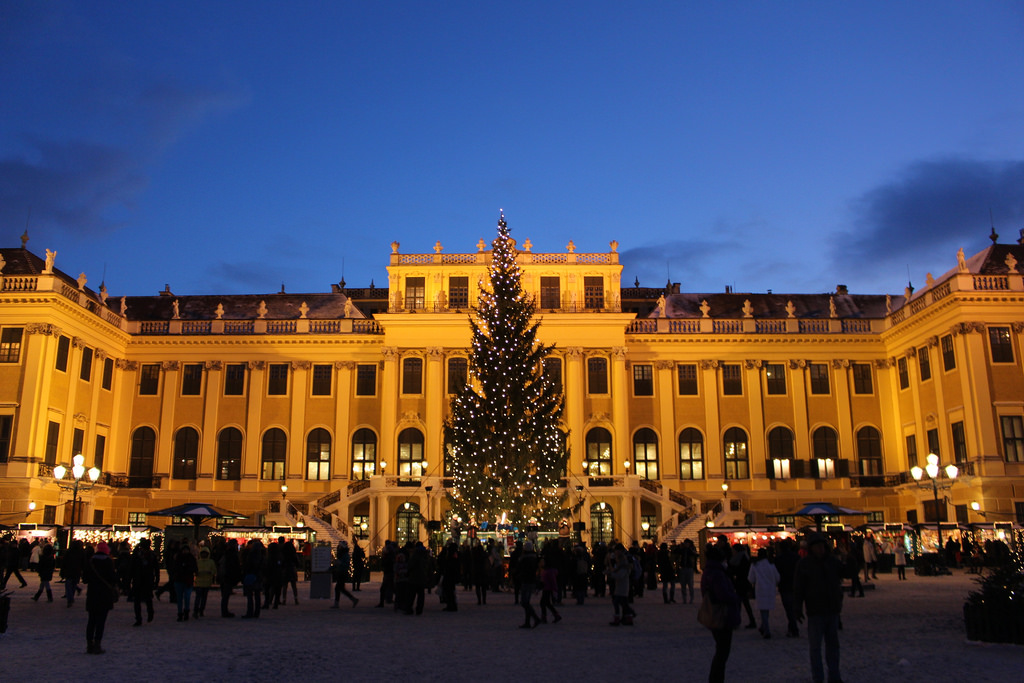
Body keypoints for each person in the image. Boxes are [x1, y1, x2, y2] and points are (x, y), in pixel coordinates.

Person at [794, 533, 845, 683]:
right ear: (811, 548)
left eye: (822, 546)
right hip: (815, 610)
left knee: (832, 646)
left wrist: (850, 560)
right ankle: (819, 678)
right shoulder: (805, 564)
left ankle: (834, 676)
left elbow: (846, 572)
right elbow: (799, 587)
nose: (820, 549)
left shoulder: (832, 561)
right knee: (816, 647)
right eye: (817, 546)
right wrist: (797, 607)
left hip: (832, 609)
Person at [701, 545, 741, 683]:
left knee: (721, 651)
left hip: (715, 613)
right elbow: (723, 594)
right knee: (722, 652)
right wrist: (735, 597)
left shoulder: (709, 571)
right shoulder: (718, 573)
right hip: (722, 614)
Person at [83, 541, 118, 654]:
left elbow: (85, 579)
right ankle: (97, 644)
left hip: (92, 593)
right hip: (104, 594)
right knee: (101, 621)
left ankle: (89, 644)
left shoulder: (91, 561)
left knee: (91, 620)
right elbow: (112, 578)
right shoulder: (108, 561)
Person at [748, 547, 781, 638]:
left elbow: (751, 578)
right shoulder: (771, 565)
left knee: (763, 610)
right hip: (770, 590)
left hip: (760, 589)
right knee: (766, 610)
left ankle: (766, 629)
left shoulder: (755, 565)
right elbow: (777, 577)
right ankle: (764, 626)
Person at [129, 538, 159, 625]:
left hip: (139, 579)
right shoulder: (151, 555)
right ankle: (148, 614)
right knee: (146, 599)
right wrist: (156, 580)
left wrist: (130, 579)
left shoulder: (137, 554)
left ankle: (140, 618)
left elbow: (131, 567)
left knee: (139, 600)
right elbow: (156, 569)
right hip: (146, 579)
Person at [607, 543, 636, 626]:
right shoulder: (622, 562)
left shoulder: (623, 563)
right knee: (623, 603)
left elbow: (620, 575)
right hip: (621, 586)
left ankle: (626, 616)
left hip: (622, 587)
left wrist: (612, 574)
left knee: (618, 602)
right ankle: (628, 617)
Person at [515, 540, 541, 628]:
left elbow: (520, 569)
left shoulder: (524, 559)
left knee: (524, 602)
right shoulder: (534, 558)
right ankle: (528, 621)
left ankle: (535, 618)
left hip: (526, 580)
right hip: (532, 580)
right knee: (527, 601)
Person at [173, 543, 198, 621]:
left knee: (185, 598)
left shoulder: (183, 558)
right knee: (182, 598)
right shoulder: (186, 558)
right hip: (183, 580)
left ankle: (184, 612)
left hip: (185, 580)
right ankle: (181, 613)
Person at [241, 539, 265, 619]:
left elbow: (248, 565)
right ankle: (257, 612)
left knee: (250, 595)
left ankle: (250, 611)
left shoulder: (251, 555)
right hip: (258, 576)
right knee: (257, 595)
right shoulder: (262, 556)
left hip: (251, 575)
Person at [539, 540, 562, 624]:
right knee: (546, 603)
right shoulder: (548, 570)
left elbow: (553, 581)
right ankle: (554, 615)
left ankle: (546, 616)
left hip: (547, 588)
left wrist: (555, 590)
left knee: (543, 603)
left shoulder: (549, 571)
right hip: (547, 587)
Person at [331, 541, 359, 608]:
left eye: (340, 546)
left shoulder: (345, 555)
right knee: (341, 588)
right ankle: (353, 599)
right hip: (340, 572)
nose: (338, 547)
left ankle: (337, 603)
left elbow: (346, 564)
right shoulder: (341, 554)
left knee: (338, 588)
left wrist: (339, 563)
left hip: (343, 573)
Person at [218, 538, 242, 617]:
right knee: (226, 595)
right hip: (228, 576)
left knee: (225, 595)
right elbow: (233, 565)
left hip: (226, 575)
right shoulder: (232, 554)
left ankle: (224, 610)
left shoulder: (226, 553)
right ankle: (224, 611)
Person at [193, 546, 217, 618]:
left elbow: (214, 571)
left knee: (202, 598)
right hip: (200, 582)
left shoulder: (209, 562)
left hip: (205, 582)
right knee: (200, 598)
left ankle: (200, 610)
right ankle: (197, 610)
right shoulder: (199, 562)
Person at [678, 538, 698, 604]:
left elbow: (695, 554)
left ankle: (691, 598)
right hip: (683, 568)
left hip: (689, 568)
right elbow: (676, 552)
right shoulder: (682, 550)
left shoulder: (691, 550)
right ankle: (684, 598)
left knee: (690, 584)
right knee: (683, 584)